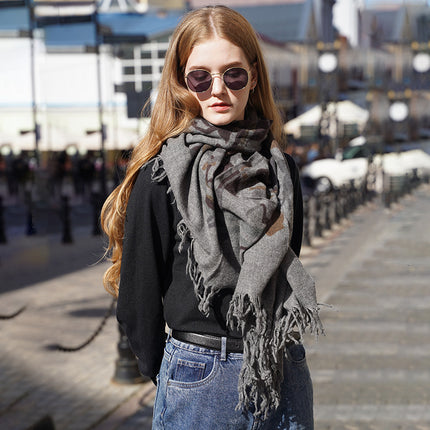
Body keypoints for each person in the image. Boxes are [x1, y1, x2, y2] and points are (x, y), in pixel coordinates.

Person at [101, 6, 323, 429]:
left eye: (233, 74)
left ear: (253, 77)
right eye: (200, 76)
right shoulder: (162, 174)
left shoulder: (281, 169)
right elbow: (138, 298)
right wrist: (177, 374)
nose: (217, 89)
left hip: (281, 365)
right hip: (200, 374)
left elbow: (287, 256)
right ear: (183, 82)